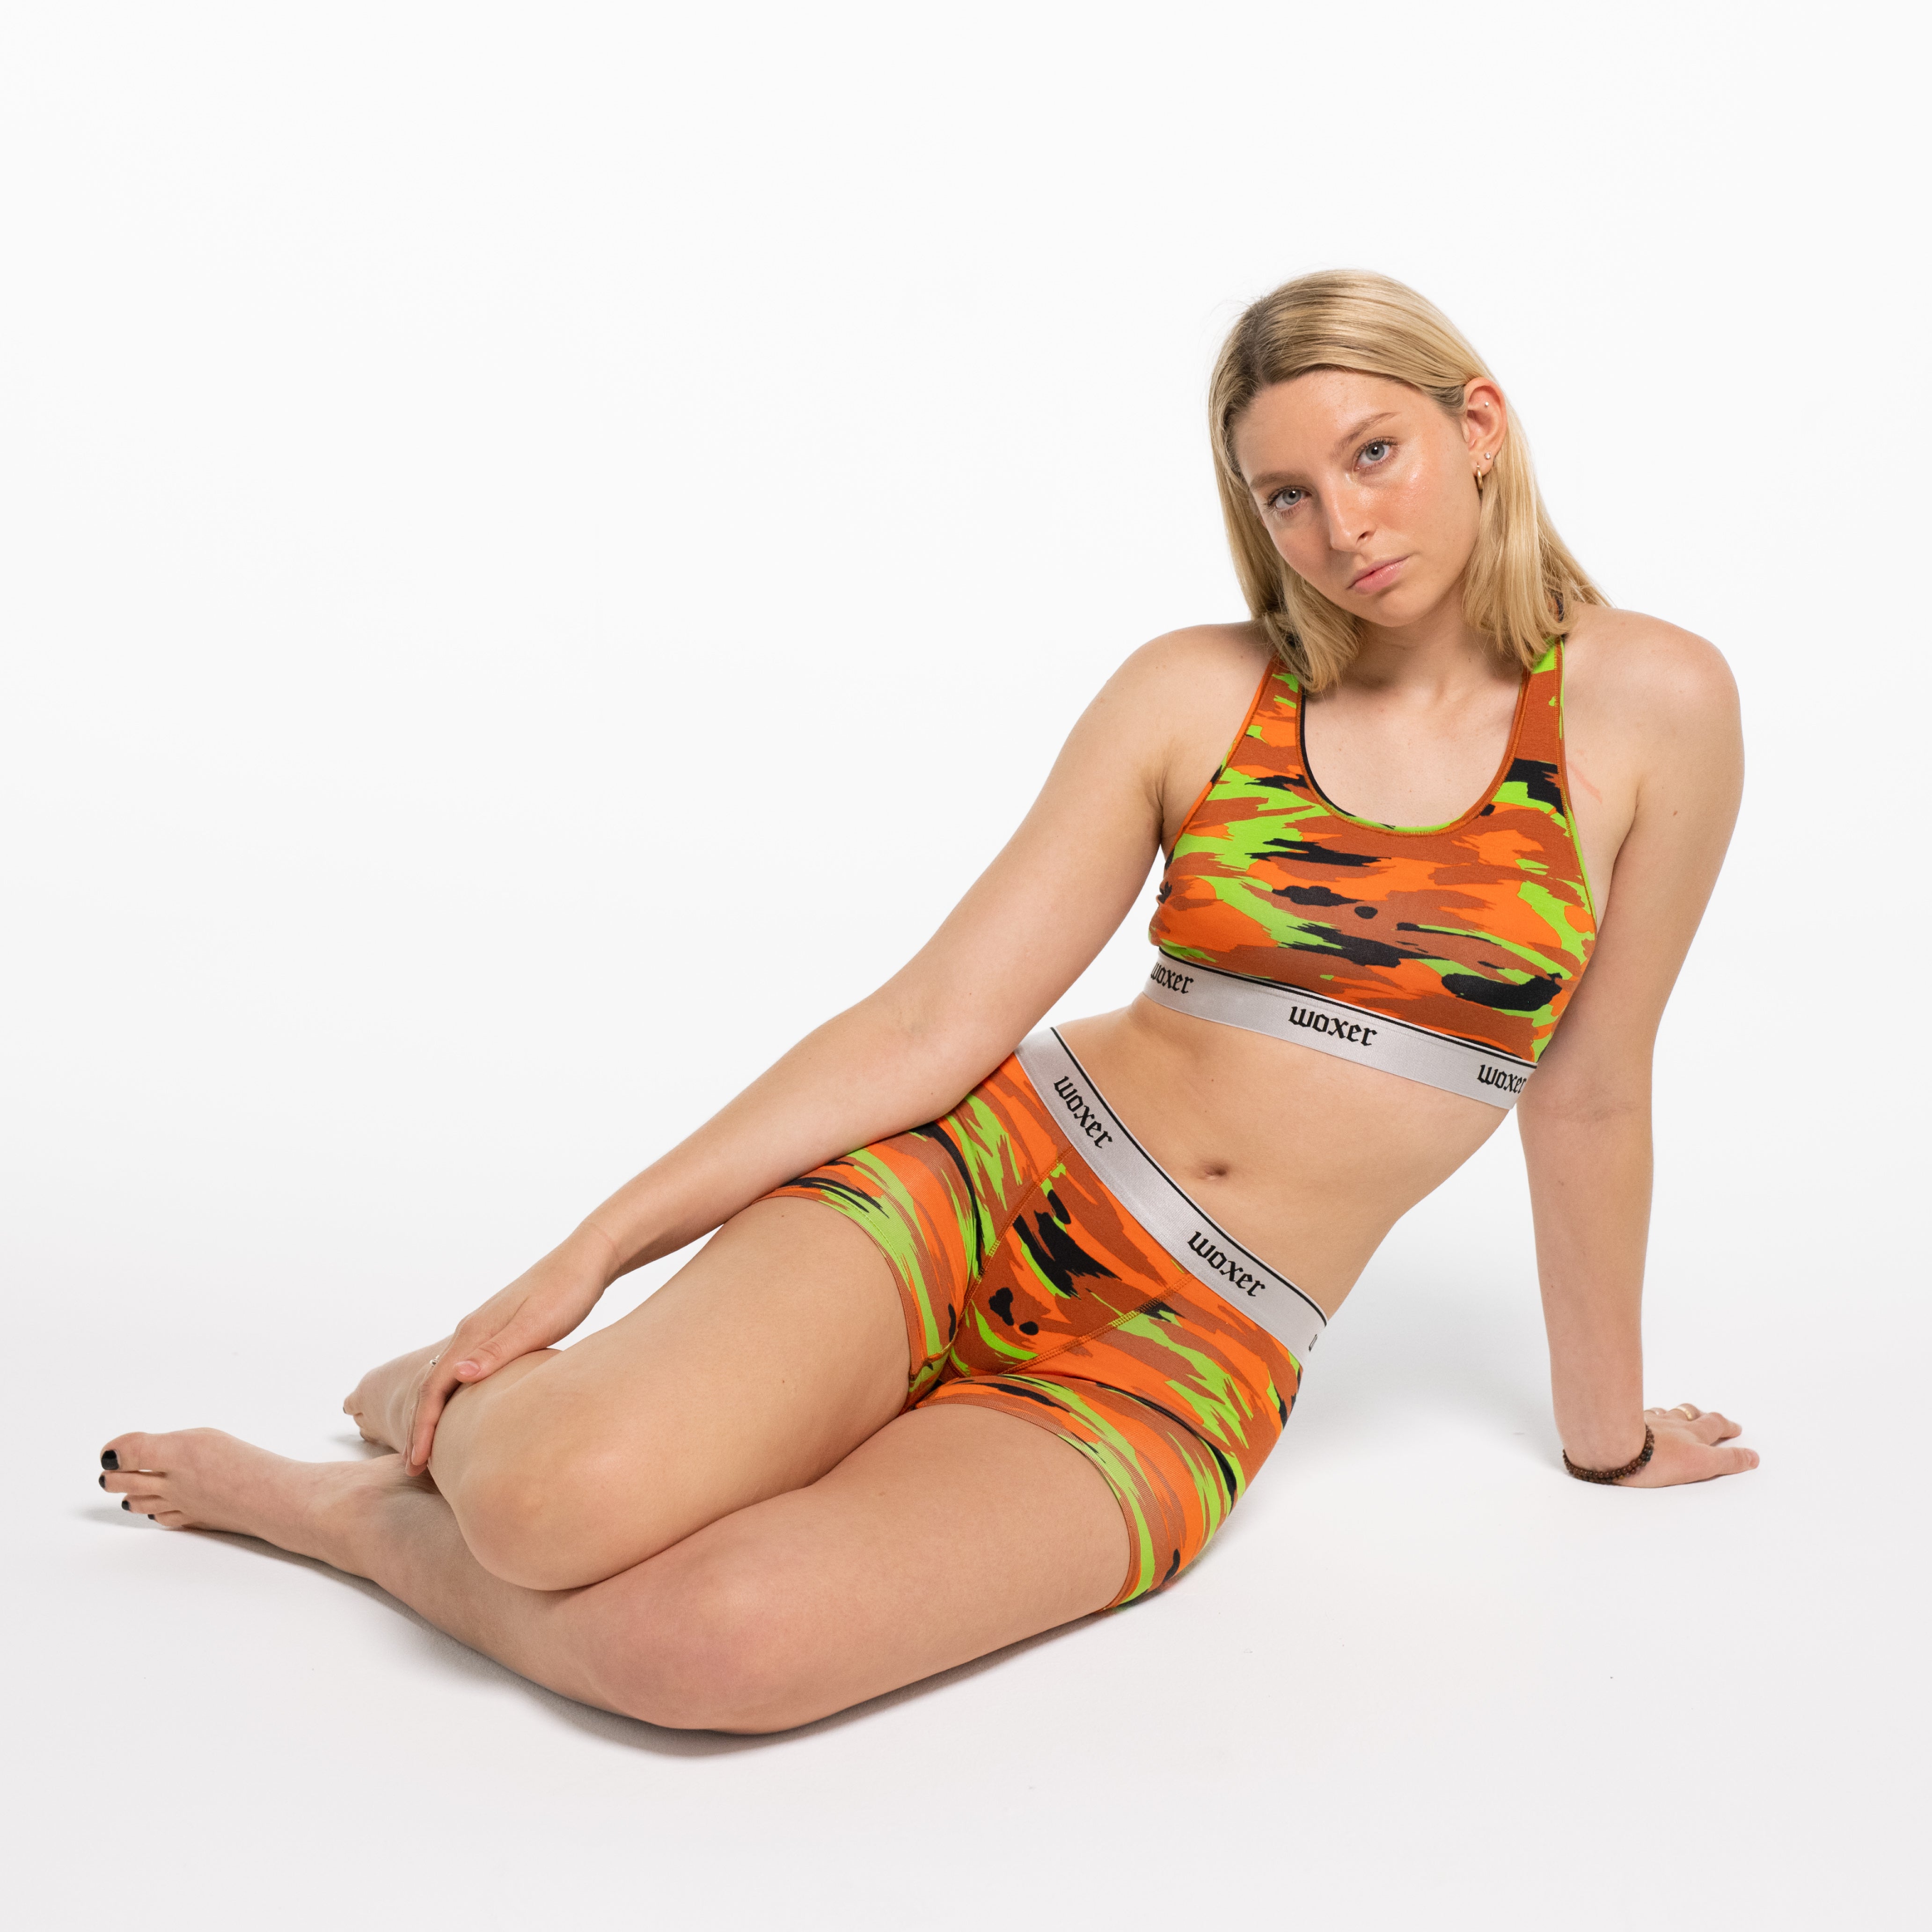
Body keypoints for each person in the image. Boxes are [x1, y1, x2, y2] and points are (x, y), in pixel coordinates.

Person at [97, 270, 1756, 1734]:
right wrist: (590, 1258)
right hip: (988, 1173)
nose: (1343, 528)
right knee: (546, 1506)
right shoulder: (1200, 690)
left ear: (1479, 425)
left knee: (708, 1650)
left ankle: (351, 1518)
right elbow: (928, 1025)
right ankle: (467, 1413)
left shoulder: (1651, 704)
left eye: (1374, 455)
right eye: (1288, 497)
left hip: (1192, 1346)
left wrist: (1605, 1441)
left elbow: (1592, 1092)